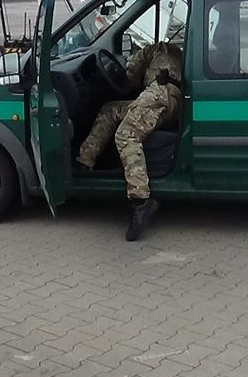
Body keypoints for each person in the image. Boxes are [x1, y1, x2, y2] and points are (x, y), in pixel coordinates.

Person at [76, 40, 184, 241]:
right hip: (171, 98)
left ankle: (141, 200)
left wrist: (121, 75)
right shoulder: (174, 51)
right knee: (110, 110)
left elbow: (128, 80)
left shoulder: (147, 52)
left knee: (126, 135)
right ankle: (84, 162)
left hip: (159, 93)